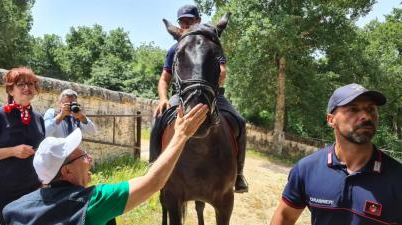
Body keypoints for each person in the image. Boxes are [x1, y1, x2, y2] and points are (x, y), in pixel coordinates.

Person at [3, 104, 209, 225]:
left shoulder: (13, 209)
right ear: (66, 171)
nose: (90, 159)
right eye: (83, 155)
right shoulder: (93, 202)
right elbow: (153, 182)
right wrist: (181, 135)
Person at [270, 83, 402, 225]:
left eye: (371, 109)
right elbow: (285, 217)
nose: (366, 116)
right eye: (353, 109)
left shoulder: (397, 177)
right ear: (331, 120)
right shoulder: (307, 168)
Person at [153, 4, 248, 192]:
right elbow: (164, 79)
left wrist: (210, 83)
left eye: (190, 20)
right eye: (183, 22)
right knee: (157, 120)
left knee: (240, 122)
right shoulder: (174, 49)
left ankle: (238, 175)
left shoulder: (211, 43)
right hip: (182, 95)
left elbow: (222, 72)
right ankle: (153, 166)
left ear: (198, 20)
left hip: (211, 93)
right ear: (179, 25)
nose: (186, 24)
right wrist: (163, 99)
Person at [0, 67, 45, 224]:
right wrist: (12, 151)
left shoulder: (38, 118)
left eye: (31, 84)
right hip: (2, 192)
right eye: (21, 84)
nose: (27, 88)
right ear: (10, 90)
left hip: (32, 190)